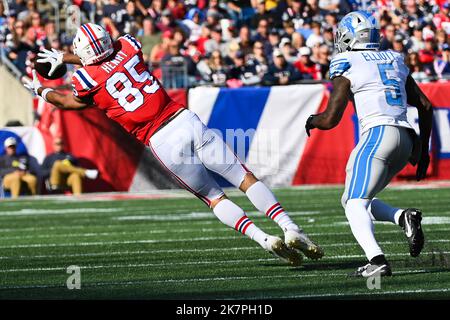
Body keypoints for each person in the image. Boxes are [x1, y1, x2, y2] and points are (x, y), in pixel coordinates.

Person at [24, 23, 323, 266]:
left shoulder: (86, 80)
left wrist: (41, 89)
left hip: (161, 141)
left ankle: (263, 239)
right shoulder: (128, 46)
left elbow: (67, 100)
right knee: (243, 178)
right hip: (184, 119)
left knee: (214, 198)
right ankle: (289, 226)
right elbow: (109, 55)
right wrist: (68, 57)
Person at [305, 11, 433, 277]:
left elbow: (331, 119)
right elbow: (425, 105)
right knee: (353, 200)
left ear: (349, 38)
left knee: (354, 203)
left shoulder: (346, 60)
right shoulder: (393, 58)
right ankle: (402, 217)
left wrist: (312, 120)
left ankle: (377, 261)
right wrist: (424, 152)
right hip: (406, 139)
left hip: (378, 135)